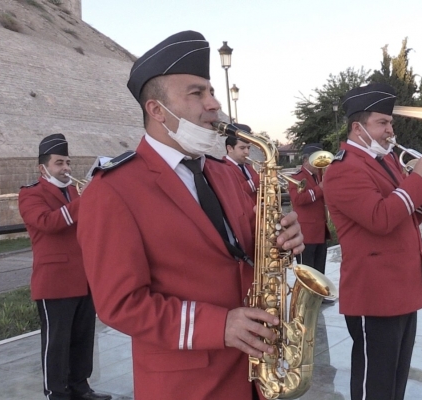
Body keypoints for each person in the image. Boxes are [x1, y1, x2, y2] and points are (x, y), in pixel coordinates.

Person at [76, 31, 305, 400]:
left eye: (211, 92)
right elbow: (120, 304)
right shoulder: (112, 190)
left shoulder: (225, 172)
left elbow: (250, 252)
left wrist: (285, 239)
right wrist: (219, 326)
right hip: (186, 385)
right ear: (157, 110)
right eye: (197, 93)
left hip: (256, 375)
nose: (214, 104)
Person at [323, 83, 422, 400]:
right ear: (357, 127)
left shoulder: (386, 160)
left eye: (390, 123)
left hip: (401, 285)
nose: (390, 131)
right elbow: (381, 218)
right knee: (374, 383)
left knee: (395, 379)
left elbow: (410, 216)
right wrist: (417, 179)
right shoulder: (344, 168)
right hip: (374, 291)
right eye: (382, 123)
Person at [18, 134, 111, 400]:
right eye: (59, 163)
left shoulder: (72, 191)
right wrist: (86, 201)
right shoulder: (30, 193)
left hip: (83, 277)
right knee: (56, 343)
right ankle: (56, 393)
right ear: (43, 167)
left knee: (83, 338)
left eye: (68, 162)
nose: (66, 168)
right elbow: (48, 223)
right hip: (54, 280)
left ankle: (81, 387)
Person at [289, 143, 331, 276]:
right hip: (306, 233)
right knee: (307, 273)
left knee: (319, 272)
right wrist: (320, 189)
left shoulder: (319, 175)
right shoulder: (297, 177)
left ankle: (319, 297)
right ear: (306, 160)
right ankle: (307, 297)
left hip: (319, 231)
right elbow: (298, 199)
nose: (319, 163)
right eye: (316, 160)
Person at [224, 123, 260, 203]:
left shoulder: (248, 166)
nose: (247, 152)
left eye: (248, 148)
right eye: (242, 148)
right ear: (229, 148)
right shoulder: (222, 167)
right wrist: (261, 176)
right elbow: (237, 192)